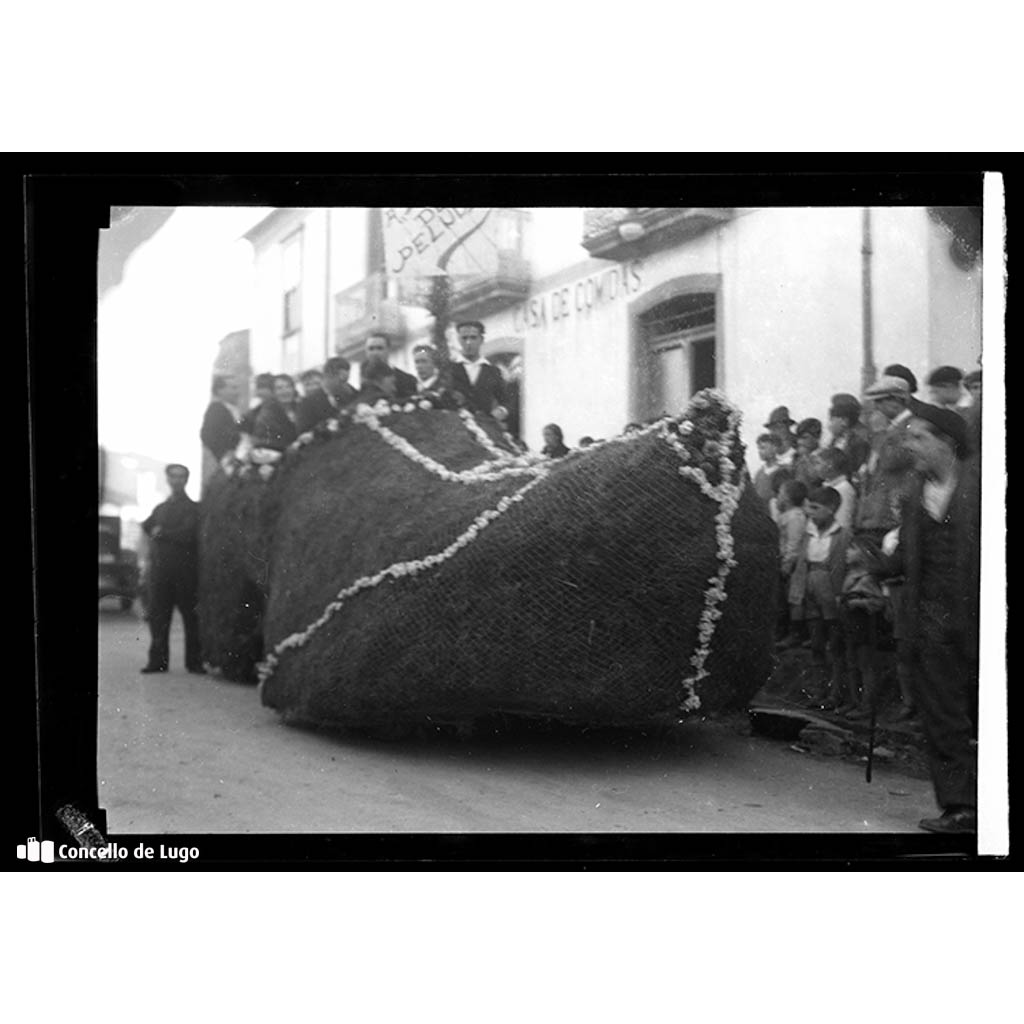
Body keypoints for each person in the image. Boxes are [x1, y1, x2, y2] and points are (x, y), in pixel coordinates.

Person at [867, 405, 980, 834]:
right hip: (931, 622)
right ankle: (961, 809)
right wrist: (876, 566)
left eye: (918, 438)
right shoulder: (914, 492)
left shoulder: (983, 486)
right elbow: (907, 558)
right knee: (943, 716)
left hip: (982, 620)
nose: (908, 445)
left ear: (946, 443)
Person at [788, 486, 853, 708]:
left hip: (831, 593)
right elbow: (800, 567)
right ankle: (818, 691)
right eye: (809, 508)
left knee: (835, 646)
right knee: (816, 644)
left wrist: (840, 595)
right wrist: (797, 595)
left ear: (832, 508)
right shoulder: (809, 535)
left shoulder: (843, 535)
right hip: (811, 591)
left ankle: (836, 693)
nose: (811, 513)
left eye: (816, 508)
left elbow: (845, 567)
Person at [140, 464, 204, 675]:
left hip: (186, 573)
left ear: (187, 480)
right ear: (167, 479)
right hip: (161, 573)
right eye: (173, 477)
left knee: (191, 618)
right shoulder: (160, 508)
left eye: (181, 477)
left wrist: (162, 532)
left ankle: (194, 663)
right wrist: (157, 532)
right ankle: (157, 662)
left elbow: (188, 534)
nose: (177, 481)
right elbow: (147, 525)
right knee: (159, 617)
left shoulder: (194, 508)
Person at [837, 535, 888, 719]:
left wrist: (858, 602)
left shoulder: (867, 578)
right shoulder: (850, 574)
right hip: (849, 626)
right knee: (852, 665)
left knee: (866, 666)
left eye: (852, 548)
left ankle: (866, 706)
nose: (847, 552)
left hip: (864, 627)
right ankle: (853, 701)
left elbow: (879, 602)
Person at [449, 321, 509, 421]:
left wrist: (502, 410)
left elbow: (506, 400)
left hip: (484, 427)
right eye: (464, 338)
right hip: (455, 427)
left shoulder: (493, 371)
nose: (468, 342)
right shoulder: (449, 368)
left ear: (481, 340)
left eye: (473, 338)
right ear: (458, 340)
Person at [774, 478, 808, 648]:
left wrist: (787, 564)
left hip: (793, 564)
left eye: (780, 493)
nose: (777, 496)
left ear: (787, 497)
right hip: (784, 560)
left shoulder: (795, 517)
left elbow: (793, 544)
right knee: (784, 599)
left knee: (793, 599)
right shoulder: (786, 515)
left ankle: (794, 634)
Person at [295, 356, 357, 433]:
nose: (345, 385)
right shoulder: (307, 403)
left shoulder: (349, 394)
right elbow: (304, 432)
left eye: (346, 381)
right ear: (328, 376)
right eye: (342, 381)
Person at [359, 333, 417, 403]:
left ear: (389, 350)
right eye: (371, 349)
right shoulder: (363, 377)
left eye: (380, 348)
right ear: (366, 352)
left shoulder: (407, 380)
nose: (375, 353)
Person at [827, 394, 871, 482]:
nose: (829, 424)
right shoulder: (837, 438)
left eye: (832, 419)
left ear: (844, 420)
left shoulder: (859, 440)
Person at [200, 374, 241, 464]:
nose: (237, 392)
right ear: (220, 390)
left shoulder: (233, 410)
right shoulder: (216, 409)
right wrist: (224, 454)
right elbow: (207, 435)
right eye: (233, 388)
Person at [812, 447, 857, 529]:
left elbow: (843, 521)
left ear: (830, 465)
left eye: (818, 463)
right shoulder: (825, 486)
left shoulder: (844, 489)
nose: (815, 468)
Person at [254, 373, 300, 450]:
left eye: (288, 386)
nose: (285, 391)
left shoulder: (301, 408)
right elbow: (263, 440)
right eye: (279, 388)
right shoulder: (267, 414)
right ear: (273, 392)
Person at [752, 433, 782, 503]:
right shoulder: (759, 474)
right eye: (759, 448)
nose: (760, 451)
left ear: (774, 448)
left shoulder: (783, 470)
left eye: (763, 448)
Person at [793, 418, 823, 486]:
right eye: (798, 438)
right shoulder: (797, 456)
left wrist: (806, 457)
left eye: (805, 437)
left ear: (817, 437)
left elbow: (816, 478)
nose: (799, 442)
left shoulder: (823, 455)